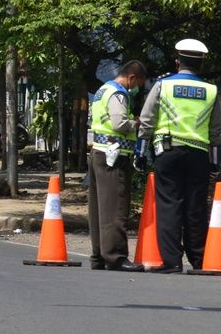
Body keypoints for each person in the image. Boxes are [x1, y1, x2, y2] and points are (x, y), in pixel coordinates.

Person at [139, 39, 221, 273]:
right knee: (195, 206)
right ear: (201, 64)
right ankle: (200, 260)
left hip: (168, 151)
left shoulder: (163, 85)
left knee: (169, 205)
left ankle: (172, 261)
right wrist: (215, 161)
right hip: (199, 154)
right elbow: (216, 131)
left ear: (177, 62)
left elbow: (147, 120)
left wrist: (141, 151)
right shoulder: (211, 90)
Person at [85, 61, 148, 271]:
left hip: (99, 153)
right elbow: (119, 124)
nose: (137, 88)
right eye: (138, 83)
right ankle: (116, 257)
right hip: (114, 156)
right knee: (115, 207)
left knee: (99, 208)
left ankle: (99, 256)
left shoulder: (103, 90)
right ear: (131, 78)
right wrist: (137, 123)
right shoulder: (118, 94)